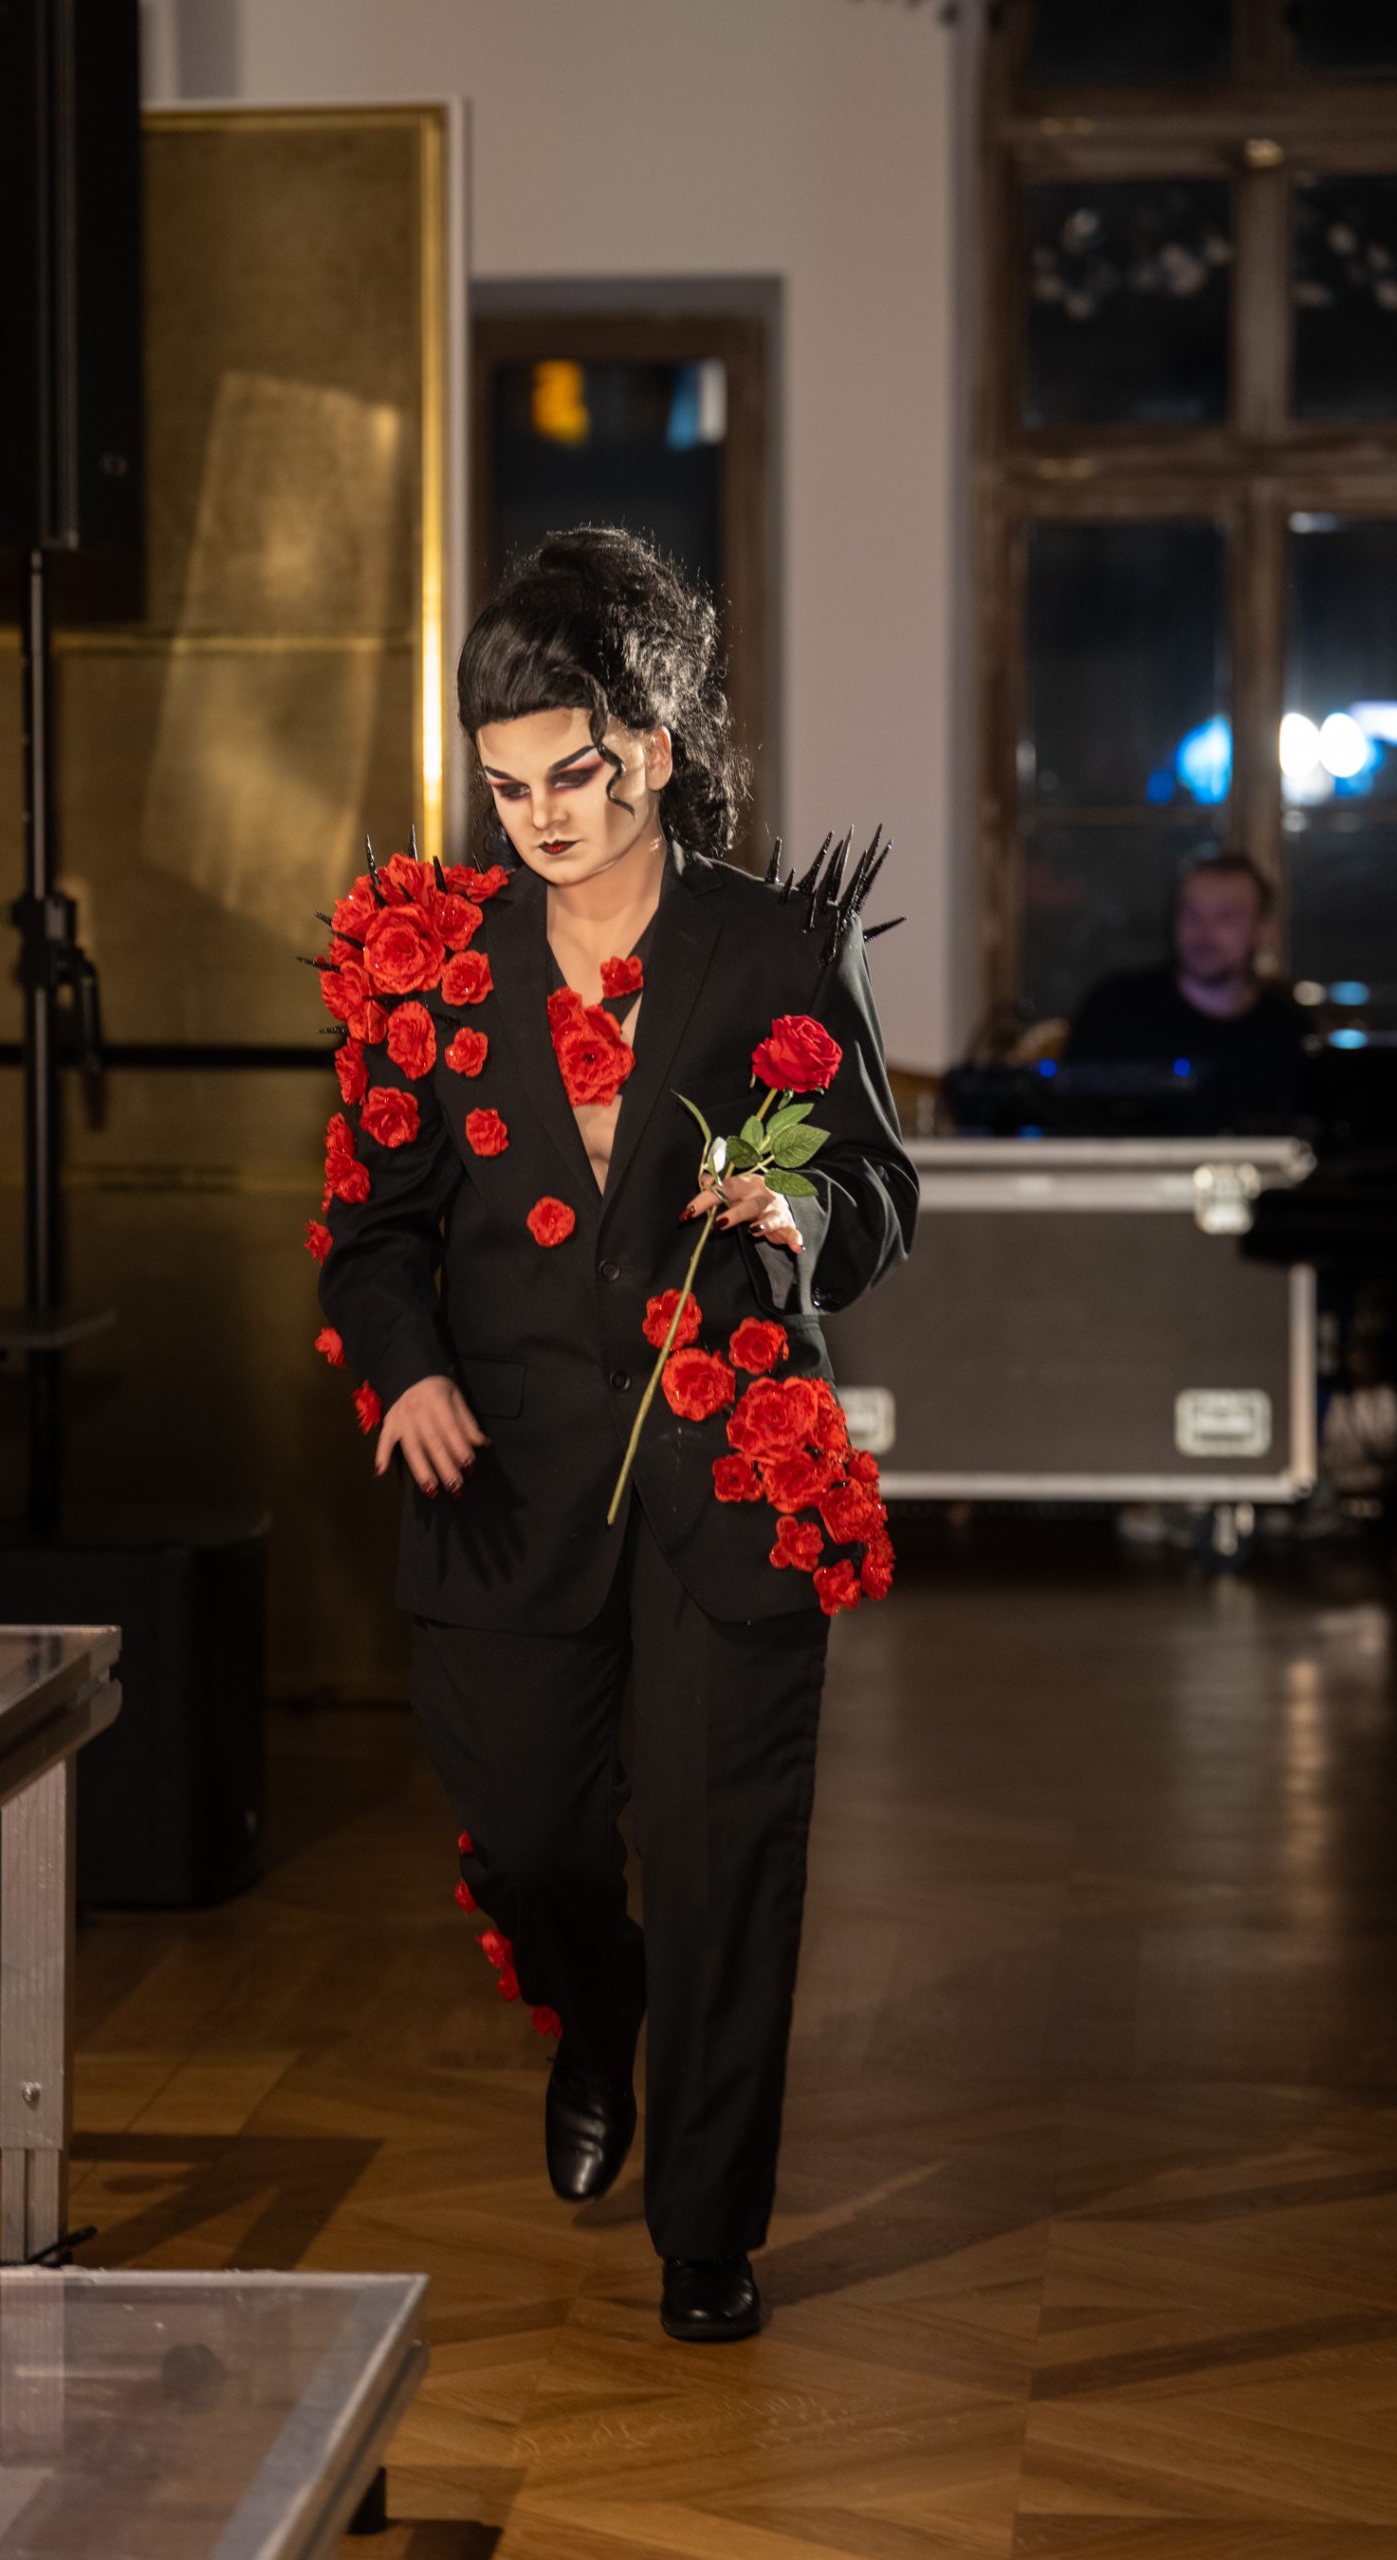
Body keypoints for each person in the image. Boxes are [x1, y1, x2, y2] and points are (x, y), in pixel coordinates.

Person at [314, 526, 916, 2343]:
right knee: (528, 1841)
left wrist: (797, 1214)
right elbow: (368, 1234)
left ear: (648, 746)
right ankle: (594, 2013)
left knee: (730, 1866)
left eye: (569, 776)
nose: (539, 820)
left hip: (731, 1471)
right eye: (506, 788)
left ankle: (706, 2234)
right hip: (501, 1482)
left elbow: (879, 1182)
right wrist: (408, 1370)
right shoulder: (432, 965)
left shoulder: (774, 945)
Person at [1064, 852, 1309, 1126]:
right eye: (1191, 914)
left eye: (1226, 916)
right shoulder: (1114, 1009)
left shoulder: (1288, 1030)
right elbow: (1067, 1123)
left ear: (1264, 930)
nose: (1204, 931)